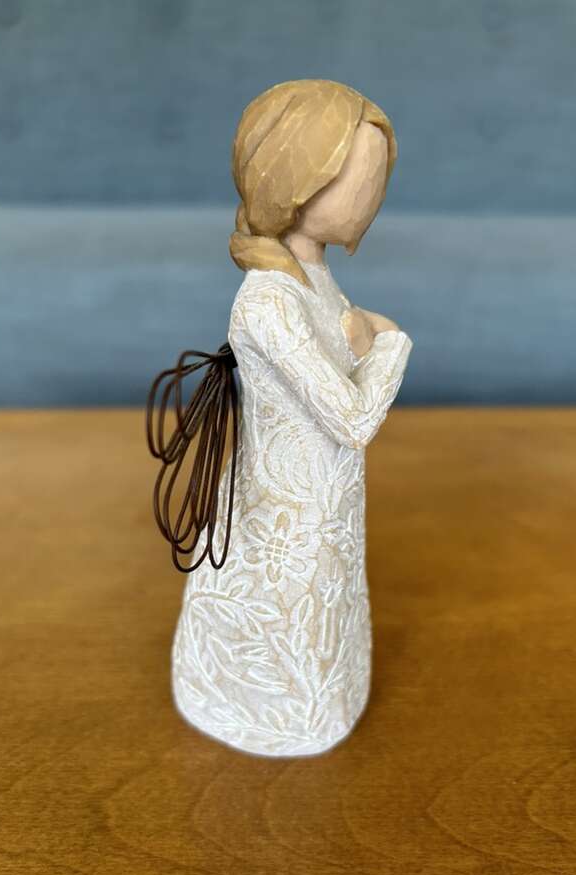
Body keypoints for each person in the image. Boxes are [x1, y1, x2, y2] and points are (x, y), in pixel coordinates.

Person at [171, 79, 413, 757]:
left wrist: (359, 332)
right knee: (284, 605)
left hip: (324, 498)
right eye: (359, 180)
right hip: (286, 509)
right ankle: (263, 708)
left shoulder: (315, 280)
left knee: (320, 608)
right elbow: (353, 419)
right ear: (295, 184)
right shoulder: (267, 302)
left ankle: (318, 701)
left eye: (377, 179)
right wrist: (391, 344)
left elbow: (338, 353)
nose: (372, 197)